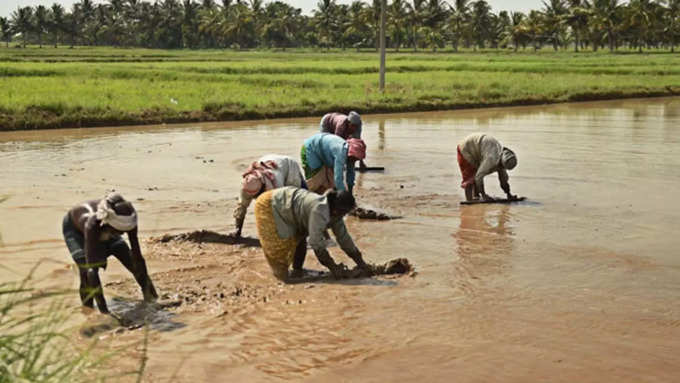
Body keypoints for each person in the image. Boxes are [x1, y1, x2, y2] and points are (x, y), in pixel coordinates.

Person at [62, 192, 158, 314]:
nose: (123, 234)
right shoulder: (92, 225)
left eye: (125, 231)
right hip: (77, 231)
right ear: (109, 225)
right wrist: (105, 313)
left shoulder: (128, 220)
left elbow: (137, 257)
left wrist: (151, 297)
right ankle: (88, 311)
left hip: (107, 227)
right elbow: (92, 272)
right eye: (119, 231)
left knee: (128, 257)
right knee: (85, 271)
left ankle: (151, 296)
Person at [254, 186, 371, 281]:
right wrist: (333, 267)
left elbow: (344, 238)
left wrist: (361, 263)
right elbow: (316, 244)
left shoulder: (336, 215)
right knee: (281, 247)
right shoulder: (319, 210)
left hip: (290, 206)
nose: (345, 215)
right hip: (271, 205)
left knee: (300, 237)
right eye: (345, 212)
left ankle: (297, 271)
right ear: (337, 210)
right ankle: (282, 275)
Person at [231, 154, 306, 238]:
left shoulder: (275, 184)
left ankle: (303, 229)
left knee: (297, 200)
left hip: (289, 168)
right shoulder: (246, 185)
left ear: (263, 186)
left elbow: (282, 208)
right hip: (270, 160)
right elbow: (241, 207)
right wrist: (238, 230)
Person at [457, 133, 518, 202]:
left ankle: (476, 196)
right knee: (470, 176)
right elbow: (479, 176)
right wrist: (484, 195)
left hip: (478, 148)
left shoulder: (503, 158)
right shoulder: (491, 158)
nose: (501, 168)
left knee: (476, 172)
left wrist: (508, 194)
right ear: (500, 163)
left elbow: (503, 179)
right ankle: (469, 200)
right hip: (465, 149)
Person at [301, 133, 366, 194]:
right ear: (352, 154)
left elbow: (350, 173)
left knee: (330, 182)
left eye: (357, 159)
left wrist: (350, 191)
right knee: (315, 180)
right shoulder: (341, 152)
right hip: (310, 149)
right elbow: (338, 178)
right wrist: (344, 195)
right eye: (354, 159)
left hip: (322, 152)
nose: (354, 161)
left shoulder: (350, 156)